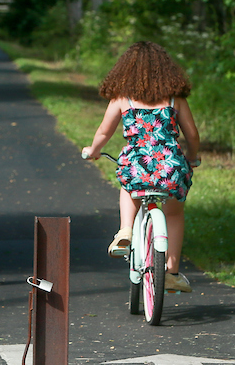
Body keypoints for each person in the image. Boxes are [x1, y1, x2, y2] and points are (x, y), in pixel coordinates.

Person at [82, 41, 201, 293]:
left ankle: (125, 229)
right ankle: (172, 271)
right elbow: (192, 135)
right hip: (170, 165)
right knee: (174, 214)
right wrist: (192, 157)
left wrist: (93, 151)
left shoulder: (122, 99)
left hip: (137, 161)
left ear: (125, 71)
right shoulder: (174, 99)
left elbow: (104, 132)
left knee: (128, 184)